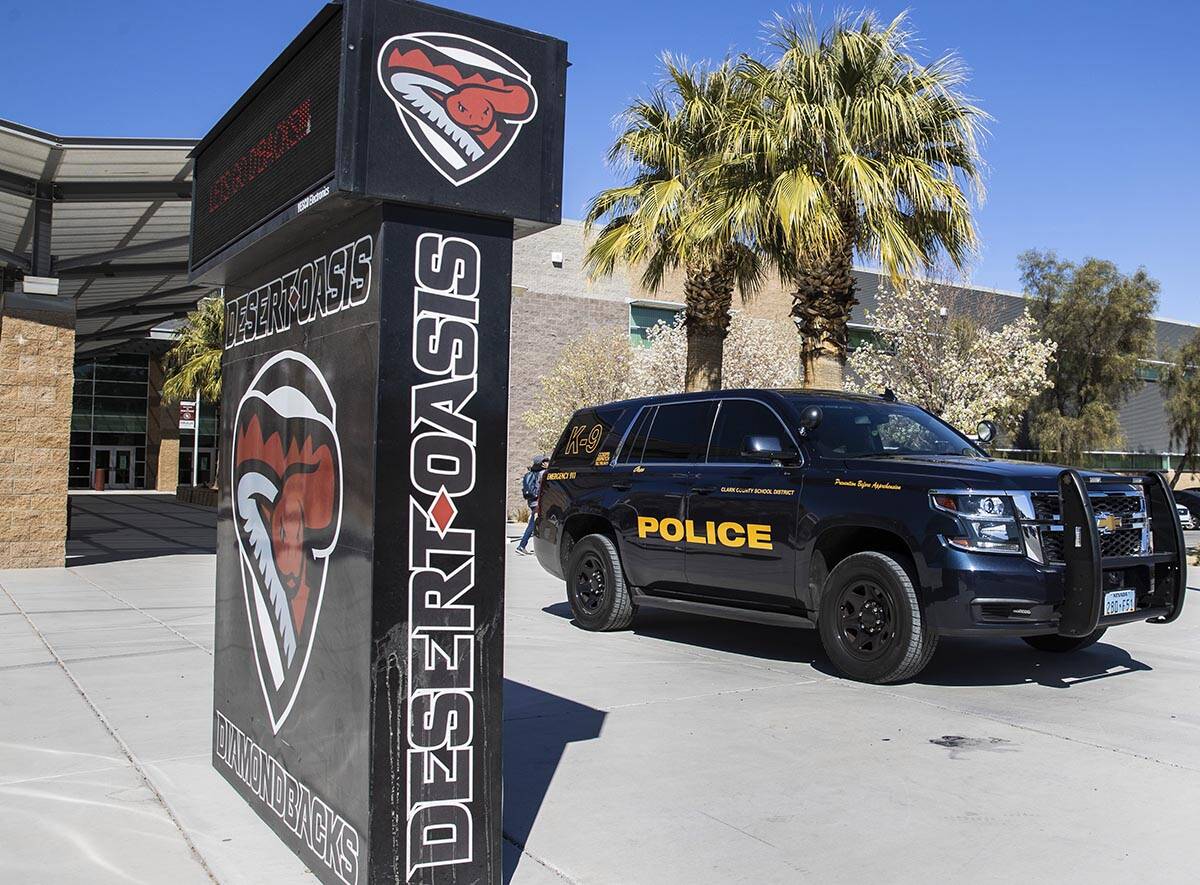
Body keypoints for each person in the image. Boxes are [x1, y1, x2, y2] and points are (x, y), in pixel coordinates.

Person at [515, 454, 549, 555]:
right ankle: (521, 546)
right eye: (546, 461)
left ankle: (525, 546)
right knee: (533, 525)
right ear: (542, 464)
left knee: (538, 524)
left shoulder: (532, 473)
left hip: (532, 502)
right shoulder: (543, 473)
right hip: (539, 502)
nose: (547, 463)